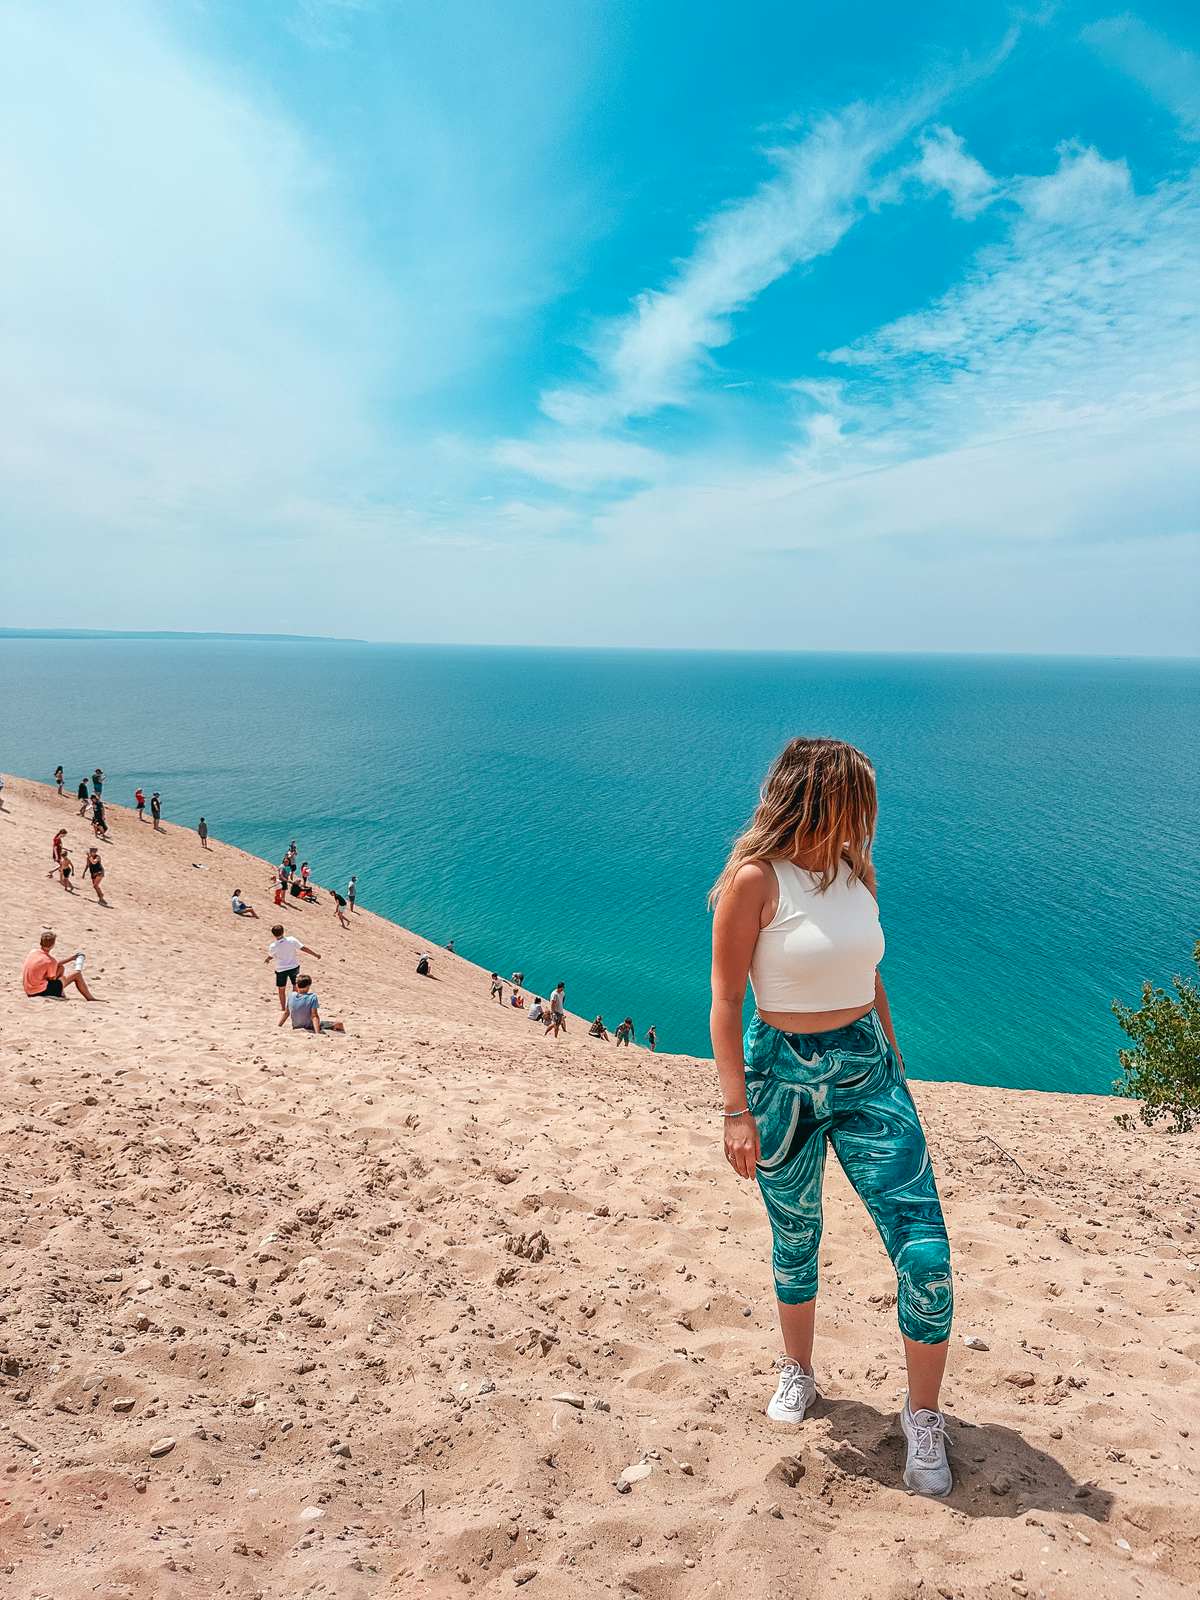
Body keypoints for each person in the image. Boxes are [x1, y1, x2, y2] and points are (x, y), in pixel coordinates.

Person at [709, 737, 953, 1497]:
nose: (869, 815)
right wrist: (734, 1111)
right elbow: (724, 1002)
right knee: (797, 1236)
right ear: (821, 797)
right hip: (780, 1078)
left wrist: (896, 1060)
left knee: (926, 1254)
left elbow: (869, 974)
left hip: (870, 1072)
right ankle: (800, 1372)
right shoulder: (755, 881)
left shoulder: (855, 871)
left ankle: (923, 1417)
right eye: (859, 799)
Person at [22, 931, 97, 1000]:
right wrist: (62, 978)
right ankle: (90, 998)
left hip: (29, 989)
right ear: (52, 945)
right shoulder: (50, 961)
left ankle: (61, 991)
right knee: (76, 974)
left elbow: (54, 964)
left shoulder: (33, 952)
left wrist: (71, 959)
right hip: (39, 991)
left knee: (61, 968)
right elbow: (52, 978)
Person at [266, 925, 320, 1009]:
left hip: (281, 969)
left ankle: (283, 1008)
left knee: (281, 989)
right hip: (293, 967)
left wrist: (267, 959)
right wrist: (315, 954)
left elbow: (271, 955)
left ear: (273, 934)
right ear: (283, 931)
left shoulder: (273, 946)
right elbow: (303, 948)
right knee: (296, 986)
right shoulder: (291, 940)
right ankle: (293, 1005)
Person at [279, 974, 345, 1033]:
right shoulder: (312, 997)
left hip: (296, 1027)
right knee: (339, 1024)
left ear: (297, 985)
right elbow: (314, 1016)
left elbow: (286, 1013)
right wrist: (317, 1032)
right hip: (310, 1027)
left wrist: (279, 1026)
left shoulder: (291, 995)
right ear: (308, 986)